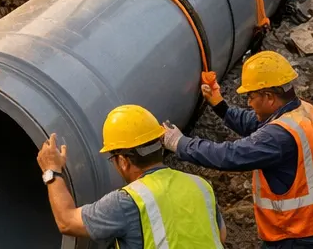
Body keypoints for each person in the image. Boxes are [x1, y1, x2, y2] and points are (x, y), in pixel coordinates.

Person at [162, 51, 313, 249]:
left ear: (268, 96)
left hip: (300, 234)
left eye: (251, 97)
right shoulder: (303, 111)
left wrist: (179, 143)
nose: (249, 103)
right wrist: (220, 106)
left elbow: (229, 155)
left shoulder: (278, 137)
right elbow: (255, 123)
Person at [37, 104, 226, 248]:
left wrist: (51, 171)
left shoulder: (128, 201)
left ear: (123, 161)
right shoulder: (200, 185)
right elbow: (220, 235)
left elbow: (67, 222)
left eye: (112, 159)